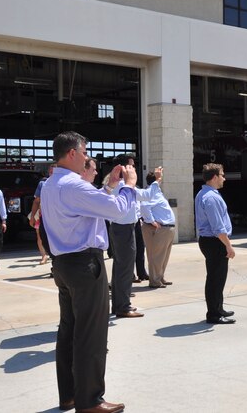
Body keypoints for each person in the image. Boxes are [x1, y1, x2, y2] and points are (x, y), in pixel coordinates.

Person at [41, 131, 135, 413]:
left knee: (69, 330)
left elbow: (92, 207)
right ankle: (91, 399)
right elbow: (118, 211)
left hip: (64, 265)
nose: (86, 158)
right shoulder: (73, 185)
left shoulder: (50, 184)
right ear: (72, 154)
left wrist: (109, 186)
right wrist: (128, 186)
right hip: (85, 265)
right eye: (84, 152)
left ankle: (69, 395)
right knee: (91, 334)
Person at [104, 154, 157, 318]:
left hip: (122, 228)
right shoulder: (123, 186)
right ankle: (122, 306)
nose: (134, 169)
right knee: (125, 268)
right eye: (131, 166)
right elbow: (148, 195)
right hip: (123, 229)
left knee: (121, 267)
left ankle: (120, 305)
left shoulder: (119, 186)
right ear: (122, 168)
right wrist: (157, 181)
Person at [195, 163, 237, 325]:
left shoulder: (204, 193)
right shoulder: (211, 198)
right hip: (215, 241)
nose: (224, 178)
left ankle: (218, 308)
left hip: (211, 241)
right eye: (222, 175)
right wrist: (228, 245)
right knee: (215, 278)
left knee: (218, 277)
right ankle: (213, 314)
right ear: (214, 177)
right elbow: (217, 227)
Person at [139, 168, 175, 289]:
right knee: (156, 256)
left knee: (163, 256)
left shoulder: (156, 191)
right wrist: (151, 221)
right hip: (159, 229)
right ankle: (154, 280)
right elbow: (144, 206)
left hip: (166, 228)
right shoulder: (151, 191)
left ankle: (159, 277)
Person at [30, 165, 57, 265]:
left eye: (53, 172)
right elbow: (37, 201)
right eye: (50, 172)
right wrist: (33, 216)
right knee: (42, 237)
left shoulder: (65, 183)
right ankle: (45, 256)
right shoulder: (43, 184)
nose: (51, 174)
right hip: (43, 216)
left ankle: (55, 263)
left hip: (59, 217)